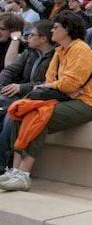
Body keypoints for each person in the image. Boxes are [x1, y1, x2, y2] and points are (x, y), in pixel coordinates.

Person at [0, 11, 92, 191]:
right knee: (20, 111)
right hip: (68, 98)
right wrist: (60, 86)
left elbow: (69, 84)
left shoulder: (80, 49)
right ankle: (14, 170)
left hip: (88, 102)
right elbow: (51, 82)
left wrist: (60, 86)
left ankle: (24, 175)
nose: (52, 31)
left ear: (68, 29)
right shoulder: (59, 51)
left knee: (40, 115)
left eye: (56, 27)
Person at [0, 20, 55, 171]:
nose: (28, 37)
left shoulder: (56, 56)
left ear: (43, 39)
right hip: (18, 95)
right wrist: (3, 86)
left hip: (35, 98)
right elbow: (9, 70)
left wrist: (22, 87)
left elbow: (48, 82)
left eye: (31, 35)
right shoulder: (29, 52)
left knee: (10, 117)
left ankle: (2, 163)